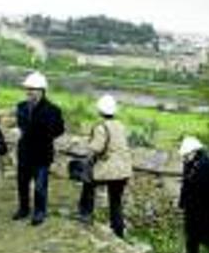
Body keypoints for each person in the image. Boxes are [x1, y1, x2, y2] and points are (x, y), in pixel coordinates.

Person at [77, 95, 133, 238]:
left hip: (109, 168)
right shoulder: (120, 125)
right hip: (124, 170)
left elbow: (96, 148)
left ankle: (85, 214)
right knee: (115, 201)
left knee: (88, 183)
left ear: (99, 110)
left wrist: (86, 160)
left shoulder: (101, 127)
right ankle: (118, 231)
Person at [13, 72, 64, 226]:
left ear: (42, 90)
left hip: (42, 153)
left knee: (40, 185)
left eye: (33, 89)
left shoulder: (53, 110)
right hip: (25, 152)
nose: (29, 92)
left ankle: (39, 212)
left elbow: (59, 129)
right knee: (22, 183)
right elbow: (21, 126)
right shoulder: (21, 107)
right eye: (28, 88)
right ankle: (23, 209)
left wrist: (45, 135)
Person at [178, 136, 209, 253]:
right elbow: (185, 184)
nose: (185, 157)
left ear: (195, 151)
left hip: (207, 207)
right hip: (191, 206)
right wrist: (182, 202)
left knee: (206, 234)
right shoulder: (188, 163)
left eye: (187, 155)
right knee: (190, 235)